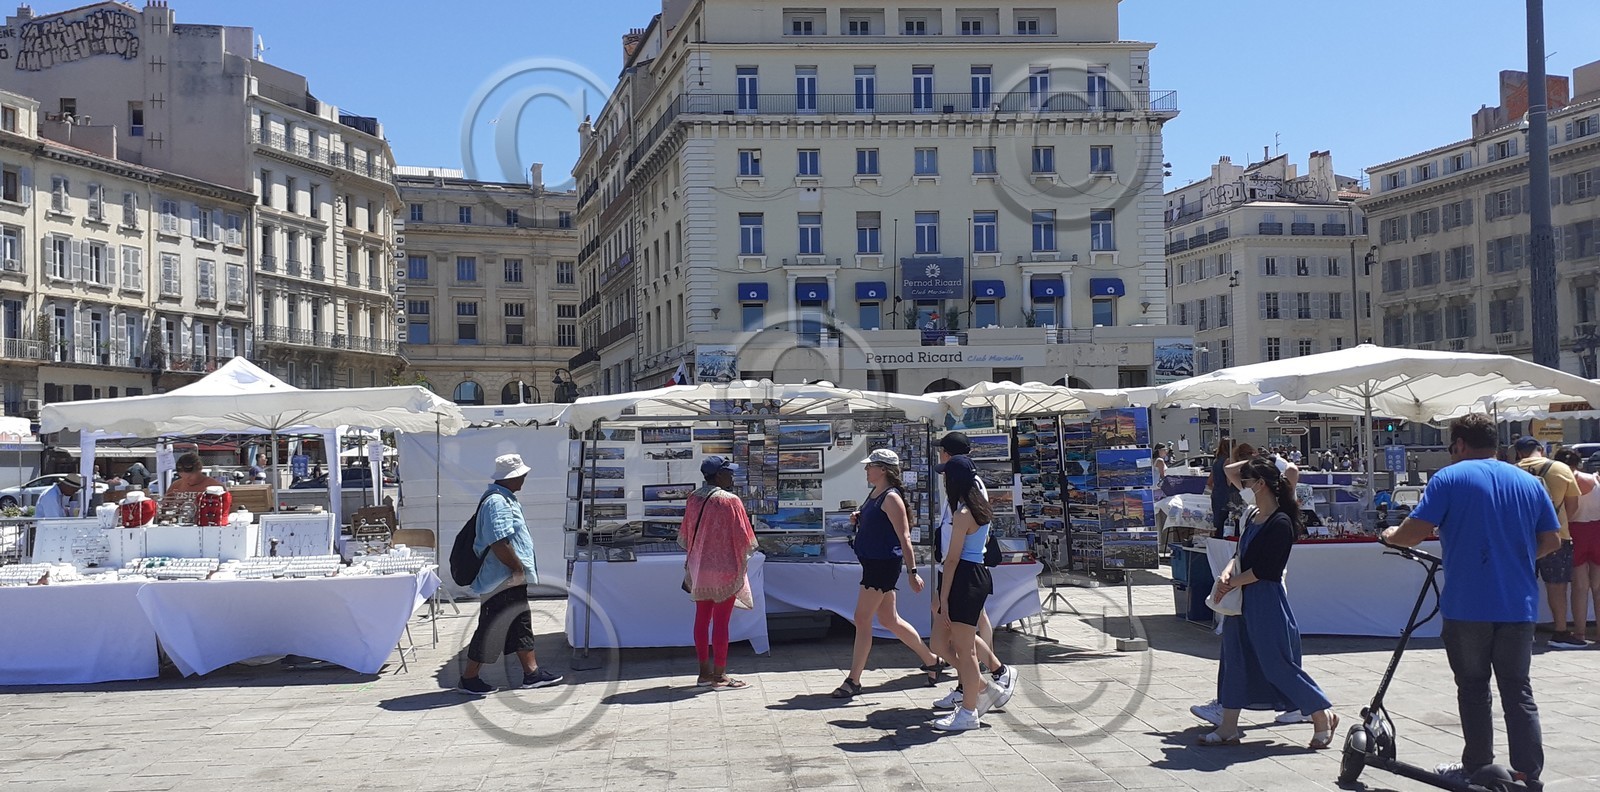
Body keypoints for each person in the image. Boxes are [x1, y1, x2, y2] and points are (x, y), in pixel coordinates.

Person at [1382, 414, 1559, 789]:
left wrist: (1391, 534)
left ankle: (1477, 767)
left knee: (1474, 688)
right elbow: (1551, 541)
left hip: (1468, 605)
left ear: (1460, 444)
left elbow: (1413, 533)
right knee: (1518, 690)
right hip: (1518, 603)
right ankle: (1528, 775)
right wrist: (1514, 558)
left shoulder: (1449, 478)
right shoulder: (1530, 482)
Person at [1197, 456, 1337, 748]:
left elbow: (1266, 570)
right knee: (1234, 660)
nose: (1242, 486)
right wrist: (1227, 573)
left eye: (1247, 481)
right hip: (1242, 598)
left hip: (1265, 600)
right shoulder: (1252, 517)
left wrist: (1231, 582)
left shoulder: (1280, 522)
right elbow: (1240, 555)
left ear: (1260, 484)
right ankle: (1228, 727)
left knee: (1276, 663)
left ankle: (1320, 713)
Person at [832, 448, 943, 699]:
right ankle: (932, 660)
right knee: (889, 620)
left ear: (883, 469)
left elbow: (905, 537)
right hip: (873, 562)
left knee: (862, 619)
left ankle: (854, 680)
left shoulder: (891, 497)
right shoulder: (876, 493)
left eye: (870, 466)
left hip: (882, 565)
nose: (866, 469)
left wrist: (912, 572)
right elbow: (878, 522)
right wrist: (859, 518)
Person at [457, 453, 562, 695]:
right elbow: (498, 541)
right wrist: (517, 569)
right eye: (521, 475)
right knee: (492, 627)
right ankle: (469, 677)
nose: (524, 479)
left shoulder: (504, 498)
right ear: (511, 477)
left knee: (520, 623)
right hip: (501, 578)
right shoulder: (497, 502)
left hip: (507, 578)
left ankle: (531, 673)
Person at [929, 433, 1015, 712]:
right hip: (959, 572)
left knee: (964, 645)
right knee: (946, 641)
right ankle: (978, 685)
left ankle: (974, 696)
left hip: (964, 574)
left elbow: (956, 556)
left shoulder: (966, 507)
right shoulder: (963, 502)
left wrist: (943, 596)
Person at [681, 456, 758, 690]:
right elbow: (745, 538)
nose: (732, 477)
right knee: (721, 621)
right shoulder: (731, 501)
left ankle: (703, 673)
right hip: (724, 568)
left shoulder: (693, 498)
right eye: (728, 473)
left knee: (702, 618)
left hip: (700, 567)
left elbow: (685, 535)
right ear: (719, 475)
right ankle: (720, 675)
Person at [1513, 437, 1584, 649]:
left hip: (1521, 537)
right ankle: (1560, 631)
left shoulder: (1512, 471)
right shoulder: (1561, 469)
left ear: (1519, 453)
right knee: (1557, 586)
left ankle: (1523, 631)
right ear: (1541, 450)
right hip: (1556, 536)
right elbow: (1573, 507)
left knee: (1521, 584)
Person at [1554, 448, 1599, 645]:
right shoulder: (1595, 480)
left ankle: (1580, 633)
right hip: (1597, 531)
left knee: (1580, 587)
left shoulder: (1562, 482)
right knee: (1598, 587)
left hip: (1575, 532)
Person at [1206, 438, 1237, 539]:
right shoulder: (1228, 461)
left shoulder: (1216, 461)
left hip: (1216, 495)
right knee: (1228, 528)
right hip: (1227, 497)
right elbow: (1230, 482)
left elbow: (1209, 482)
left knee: (1218, 526)